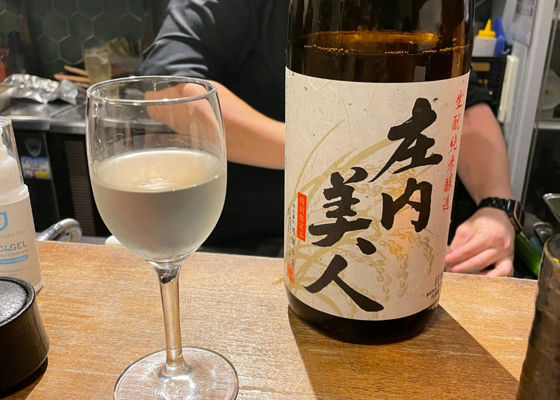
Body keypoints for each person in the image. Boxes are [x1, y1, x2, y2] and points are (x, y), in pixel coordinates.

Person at [139, 0, 516, 276]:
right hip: (246, 251)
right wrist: (324, 155)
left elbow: (460, 100)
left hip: (385, 251)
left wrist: (497, 206)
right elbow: (169, 91)